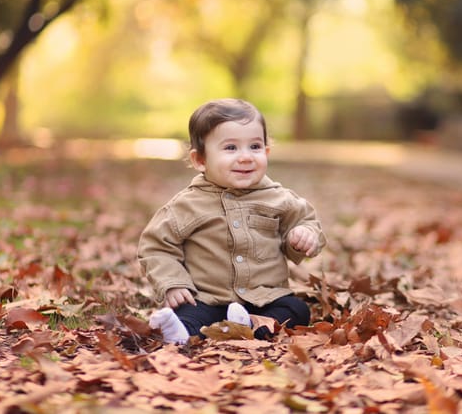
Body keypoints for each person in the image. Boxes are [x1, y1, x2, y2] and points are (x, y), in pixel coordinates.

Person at [138, 98, 326, 344]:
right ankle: (180, 333)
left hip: (265, 299)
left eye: (255, 147)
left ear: (266, 152)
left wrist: (303, 235)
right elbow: (155, 246)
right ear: (200, 160)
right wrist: (173, 283)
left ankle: (249, 326)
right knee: (190, 314)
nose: (246, 157)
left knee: (297, 310)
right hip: (207, 298)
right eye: (231, 148)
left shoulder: (280, 199)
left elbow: (307, 222)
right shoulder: (186, 205)